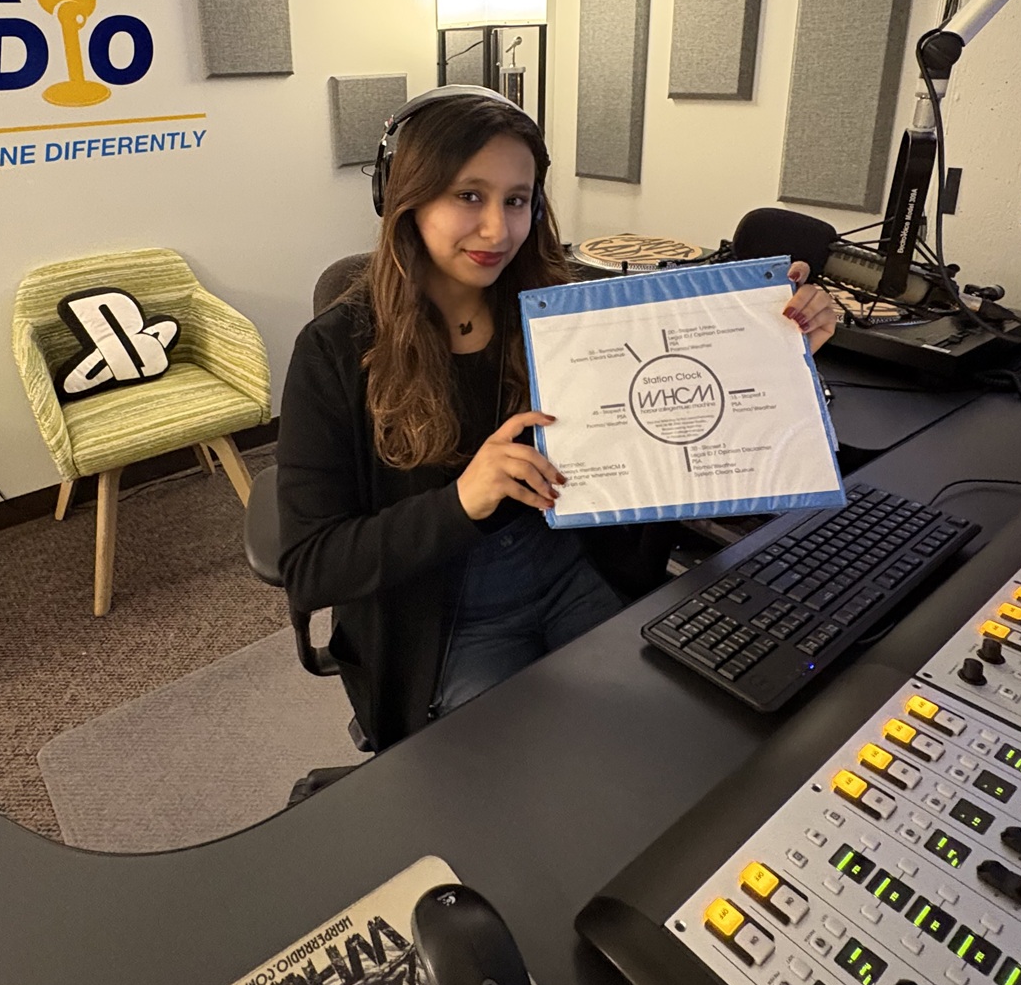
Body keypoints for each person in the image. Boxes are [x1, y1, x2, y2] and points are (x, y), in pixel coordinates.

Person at [277, 88, 837, 750]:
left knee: (665, 738)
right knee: (529, 779)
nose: (497, 230)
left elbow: (681, 412)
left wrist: (773, 344)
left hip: (575, 566)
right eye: (468, 196)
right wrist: (463, 499)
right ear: (404, 197)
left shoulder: (564, 312)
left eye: (517, 200)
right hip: (446, 611)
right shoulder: (336, 349)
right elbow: (312, 566)